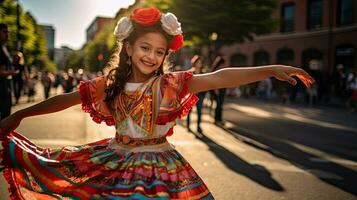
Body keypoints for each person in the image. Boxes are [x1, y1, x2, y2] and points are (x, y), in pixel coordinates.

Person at [0, 8, 315, 199]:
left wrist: (271, 69)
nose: (151, 56)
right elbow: (64, 99)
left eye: (159, 51)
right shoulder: (110, 86)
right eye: (144, 47)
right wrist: (21, 114)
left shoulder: (173, 84)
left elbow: (221, 76)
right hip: (116, 162)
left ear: (166, 55)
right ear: (129, 48)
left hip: (165, 169)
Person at [0, 23, 18, 120]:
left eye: (8, 32)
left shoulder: (4, 48)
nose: (7, 34)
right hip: (2, 87)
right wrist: (12, 73)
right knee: (5, 119)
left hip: (5, 86)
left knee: (6, 116)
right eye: (4, 32)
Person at [186, 55, 206, 133]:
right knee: (189, 111)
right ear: (194, 63)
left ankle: (198, 127)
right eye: (197, 62)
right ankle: (188, 126)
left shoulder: (203, 72)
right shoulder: (190, 72)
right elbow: (187, 84)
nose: (199, 64)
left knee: (199, 111)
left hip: (200, 95)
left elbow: (205, 84)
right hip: (191, 95)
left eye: (200, 63)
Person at [209, 56, 227, 126]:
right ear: (221, 63)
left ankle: (219, 119)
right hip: (217, 90)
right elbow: (214, 81)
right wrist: (215, 90)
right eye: (224, 63)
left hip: (222, 89)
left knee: (220, 105)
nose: (225, 65)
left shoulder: (222, 69)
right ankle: (217, 119)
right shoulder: (217, 70)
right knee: (219, 105)